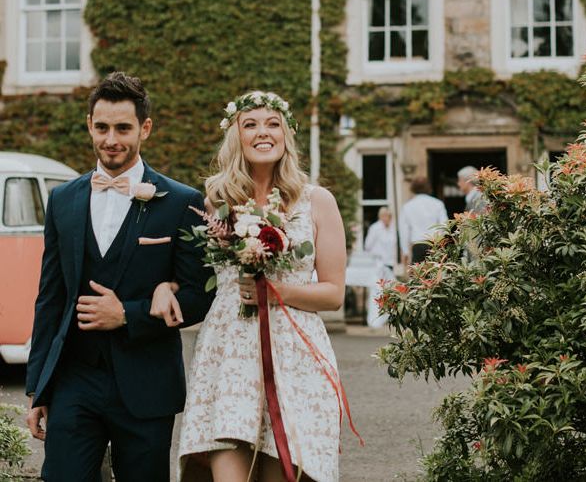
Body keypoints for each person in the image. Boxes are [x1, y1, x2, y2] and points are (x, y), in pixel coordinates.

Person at [25, 72, 214, 482]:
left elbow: (200, 294)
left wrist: (127, 314)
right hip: (75, 378)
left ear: (144, 128)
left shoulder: (181, 202)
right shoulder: (63, 200)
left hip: (146, 383)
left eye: (123, 128)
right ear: (89, 125)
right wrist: (38, 388)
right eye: (102, 127)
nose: (111, 139)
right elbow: (50, 298)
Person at [154, 91, 348, 482]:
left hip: (294, 355)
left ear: (286, 135)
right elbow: (190, 275)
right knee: (226, 465)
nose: (263, 132)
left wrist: (275, 293)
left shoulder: (317, 201)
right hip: (228, 355)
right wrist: (163, 286)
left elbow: (334, 293)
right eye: (251, 124)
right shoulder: (214, 202)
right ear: (236, 136)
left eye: (272, 124)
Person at [398, 176, 448, 268]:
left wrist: (405, 252)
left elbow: (404, 231)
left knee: (417, 278)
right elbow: (444, 226)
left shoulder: (407, 206)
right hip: (434, 245)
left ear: (413, 188)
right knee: (435, 278)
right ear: (428, 187)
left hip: (417, 245)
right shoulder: (438, 204)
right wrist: (442, 246)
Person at [364, 206, 397, 328]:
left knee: (390, 292)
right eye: (384, 216)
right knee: (378, 291)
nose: (387, 219)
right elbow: (367, 246)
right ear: (380, 216)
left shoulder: (392, 229)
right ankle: (375, 319)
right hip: (378, 264)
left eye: (389, 216)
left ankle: (387, 317)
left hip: (390, 264)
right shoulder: (375, 228)